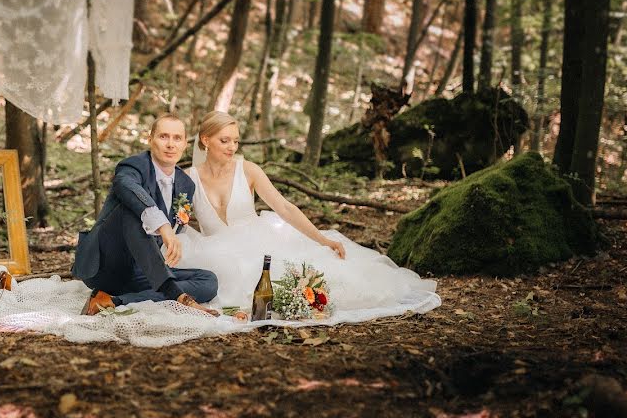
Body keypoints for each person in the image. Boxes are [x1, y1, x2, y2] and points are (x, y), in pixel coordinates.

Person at [179, 111, 441, 318]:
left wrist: (321, 239)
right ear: (205, 140)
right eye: (225, 140)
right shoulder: (188, 178)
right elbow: (178, 219)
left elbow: (284, 208)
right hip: (215, 253)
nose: (232, 147)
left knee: (311, 282)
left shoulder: (248, 170)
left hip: (258, 243)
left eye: (235, 140)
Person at [71, 113, 219, 316]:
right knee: (130, 210)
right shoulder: (133, 166)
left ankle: (114, 301)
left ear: (185, 144)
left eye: (177, 138)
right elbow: (126, 185)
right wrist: (163, 226)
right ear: (150, 140)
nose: (170, 144)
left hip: (143, 272)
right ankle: (176, 294)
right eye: (163, 136)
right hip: (107, 266)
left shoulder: (186, 185)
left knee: (208, 281)